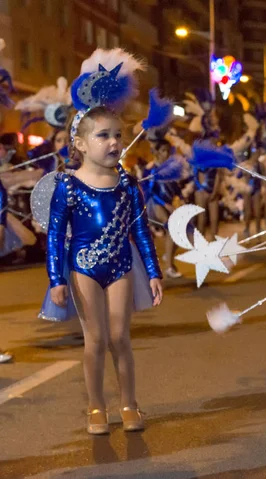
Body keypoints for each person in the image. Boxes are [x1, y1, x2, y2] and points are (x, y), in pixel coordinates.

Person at [42, 49, 163, 435]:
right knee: (94, 338)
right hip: (82, 267)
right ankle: (96, 407)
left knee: (119, 337)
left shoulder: (128, 185)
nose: (113, 143)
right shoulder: (67, 185)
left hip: (121, 265)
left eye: (118, 135)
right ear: (79, 143)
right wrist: (55, 280)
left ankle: (129, 403)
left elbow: (141, 230)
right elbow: (57, 235)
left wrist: (155, 272)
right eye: (103, 136)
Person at [142, 138, 183, 279]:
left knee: (179, 232)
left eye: (168, 151)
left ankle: (168, 254)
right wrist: (165, 204)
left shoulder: (172, 168)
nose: (166, 154)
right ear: (157, 152)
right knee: (171, 228)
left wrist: (181, 198)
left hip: (168, 204)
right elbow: (150, 191)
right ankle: (170, 267)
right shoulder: (151, 169)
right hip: (154, 204)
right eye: (163, 151)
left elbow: (176, 188)